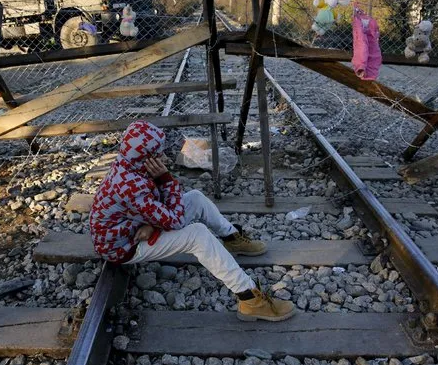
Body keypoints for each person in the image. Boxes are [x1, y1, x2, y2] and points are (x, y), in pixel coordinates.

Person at [89, 120, 296, 321]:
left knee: (195, 198)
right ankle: (250, 299)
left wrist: (152, 223)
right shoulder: (132, 185)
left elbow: (157, 206)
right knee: (197, 234)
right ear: (146, 157)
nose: (162, 155)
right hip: (123, 247)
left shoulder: (129, 165)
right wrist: (166, 179)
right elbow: (176, 220)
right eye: (157, 152)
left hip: (133, 229)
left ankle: (232, 238)